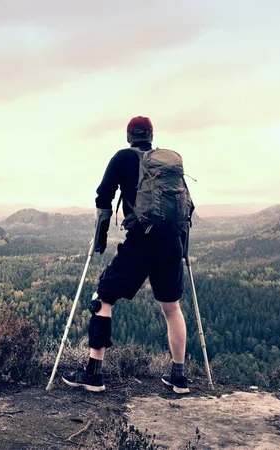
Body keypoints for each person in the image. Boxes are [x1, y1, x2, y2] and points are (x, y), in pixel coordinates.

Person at [62, 116, 193, 394]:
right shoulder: (169, 164)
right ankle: (178, 377)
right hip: (171, 243)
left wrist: (100, 238)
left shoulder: (123, 158)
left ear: (129, 136)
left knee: (103, 298)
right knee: (172, 308)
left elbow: (103, 197)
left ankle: (94, 374)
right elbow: (183, 208)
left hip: (140, 241)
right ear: (151, 135)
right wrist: (182, 247)